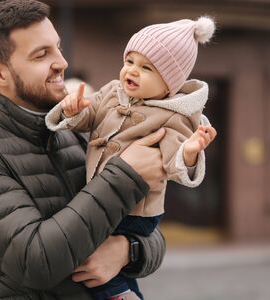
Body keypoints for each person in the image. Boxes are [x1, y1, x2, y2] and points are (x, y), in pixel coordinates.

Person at [0, 1, 176, 299]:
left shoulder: (75, 133)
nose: (62, 62)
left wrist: (126, 251)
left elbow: (152, 234)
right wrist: (125, 176)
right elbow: (34, 262)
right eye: (42, 54)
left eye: (58, 47)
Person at [45, 17, 217, 299]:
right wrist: (73, 111)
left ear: (168, 85)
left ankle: (119, 295)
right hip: (107, 198)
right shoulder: (113, 93)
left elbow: (174, 162)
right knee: (99, 258)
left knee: (88, 252)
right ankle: (125, 291)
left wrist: (189, 151)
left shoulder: (174, 116)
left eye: (146, 68)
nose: (133, 71)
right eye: (130, 61)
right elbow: (90, 118)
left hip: (135, 211)